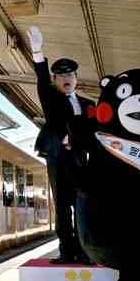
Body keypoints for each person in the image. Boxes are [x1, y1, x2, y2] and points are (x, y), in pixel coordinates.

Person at [27, 25, 95, 264]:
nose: (66, 79)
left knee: (83, 204)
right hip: (58, 157)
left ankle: (86, 250)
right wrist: (37, 52)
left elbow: (95, 133)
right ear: (55, 80)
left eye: (70, 75)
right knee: (63, 206)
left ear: (76, 78)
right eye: (61, 76)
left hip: (80, 160)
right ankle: (67, 250)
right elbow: (41, 80)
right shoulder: (50, 97)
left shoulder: (88, 105)